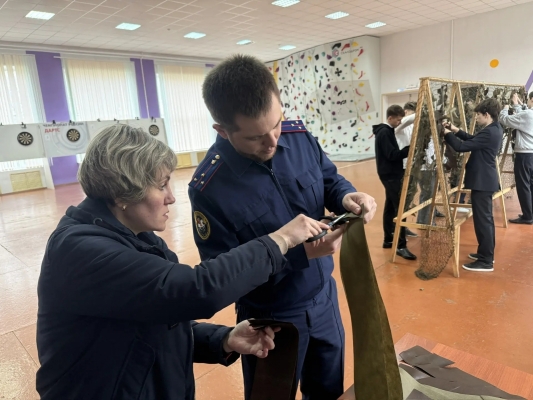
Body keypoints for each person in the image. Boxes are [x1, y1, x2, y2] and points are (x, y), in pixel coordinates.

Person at [36, 125, 330, 400]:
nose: (171, 198)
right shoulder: (80, 250)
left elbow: (159, 322)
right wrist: (280, 241)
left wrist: (224, 339)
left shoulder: (139, 238)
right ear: (122, 192)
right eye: (161, 185)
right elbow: (194, 290)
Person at [188, 54, 377, 400]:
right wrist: (300, 255)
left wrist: (347, 196)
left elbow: (329, 179)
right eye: (255, 138)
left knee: (328, 392)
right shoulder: (210, 188)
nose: (273, 142)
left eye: (276, 124)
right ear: (223, 131)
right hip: (273, 321)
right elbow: (223, 276)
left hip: (324, 298)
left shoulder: (299, 137)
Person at [443, 98, 503, 272]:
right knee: (485, 220)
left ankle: (486, 261)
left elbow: (461, 147)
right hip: (484, 180)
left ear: (487, 114)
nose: (476, 117)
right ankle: (485, 253)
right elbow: (473, 139)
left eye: (478, 114)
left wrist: (446, 133)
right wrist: (455, 130)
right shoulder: (494, 128)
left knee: (483, 221)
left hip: (483, 181)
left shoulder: (490, 132)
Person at [374, 104, 417, 260]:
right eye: (398, 120)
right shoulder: (384, 132)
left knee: (390, 207)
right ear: (390, 118)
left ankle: (388, 239)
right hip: (390, 175)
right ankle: (401, 245)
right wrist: (410, 149)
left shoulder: (387, 131)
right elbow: (392, 155)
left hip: (390, 173)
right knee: (400, 208)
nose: (400, 123)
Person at [499, 91, 533, 224]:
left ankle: (527, 216)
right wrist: (518, 104)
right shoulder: (527, 114)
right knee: (531, 184)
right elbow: (523, 117)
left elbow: (504, 119)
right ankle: (530, 213)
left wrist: (506, 108)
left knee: (523, 185)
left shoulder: (528, 115)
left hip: (525, 155)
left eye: (528, 100)